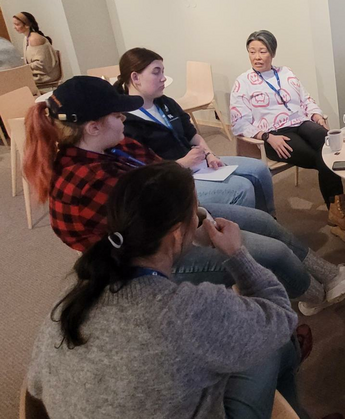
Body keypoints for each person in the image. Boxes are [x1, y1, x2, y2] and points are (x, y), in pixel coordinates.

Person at [23, 76, 345, 316]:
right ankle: (313, 297)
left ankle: (328, 273)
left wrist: (193, 208)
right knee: (270, 251)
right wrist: (204, 225)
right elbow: (151, 235)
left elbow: (166, 176)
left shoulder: (115, 144)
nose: (124, 120)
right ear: (93, 127)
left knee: (264, 221)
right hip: (144, 258)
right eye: (117, 115)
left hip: (176, 217)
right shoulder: (84, 180)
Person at [25, 162, 311, 418]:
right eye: (196, 214)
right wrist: (236, 253)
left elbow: (35, 391)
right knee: (276, 343)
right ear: (176, 235)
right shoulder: (189, 310)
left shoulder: (68, 303)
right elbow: (279, 314)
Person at [230, 30, 345, 245]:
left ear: (272, 53)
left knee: (330, 142)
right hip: (276, 136)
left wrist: (316, 114)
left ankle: (336, 209)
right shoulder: (242, 83)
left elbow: (305, 99)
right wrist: (267, 136)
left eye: (262, 51)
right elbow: (239, 122)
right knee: (324, 157)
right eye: (252, 51)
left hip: (301, 123)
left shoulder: (286, 73)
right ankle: (338, 209)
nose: (257, 56)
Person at [116, 47, 276, 215]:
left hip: (198, 164)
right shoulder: (124, 123)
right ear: (135, 77)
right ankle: (236, 235)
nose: (164, 78)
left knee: (259, 169)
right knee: (242, 188)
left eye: (163, 72)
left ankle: (269, 222)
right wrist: (182, 164)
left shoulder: (165, 103)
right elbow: (141, 175)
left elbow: (192, 134)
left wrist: (209, 154)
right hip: (171, 179)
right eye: (156, 73)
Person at [12, 11, 60, 85]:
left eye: (17, 24)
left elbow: (41, 64)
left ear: (27, 25)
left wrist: (23, 69)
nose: (14, 27)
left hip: (45, 75)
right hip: (37, 72)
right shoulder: (26, 38)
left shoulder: (34, 39)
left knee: (13, 82)